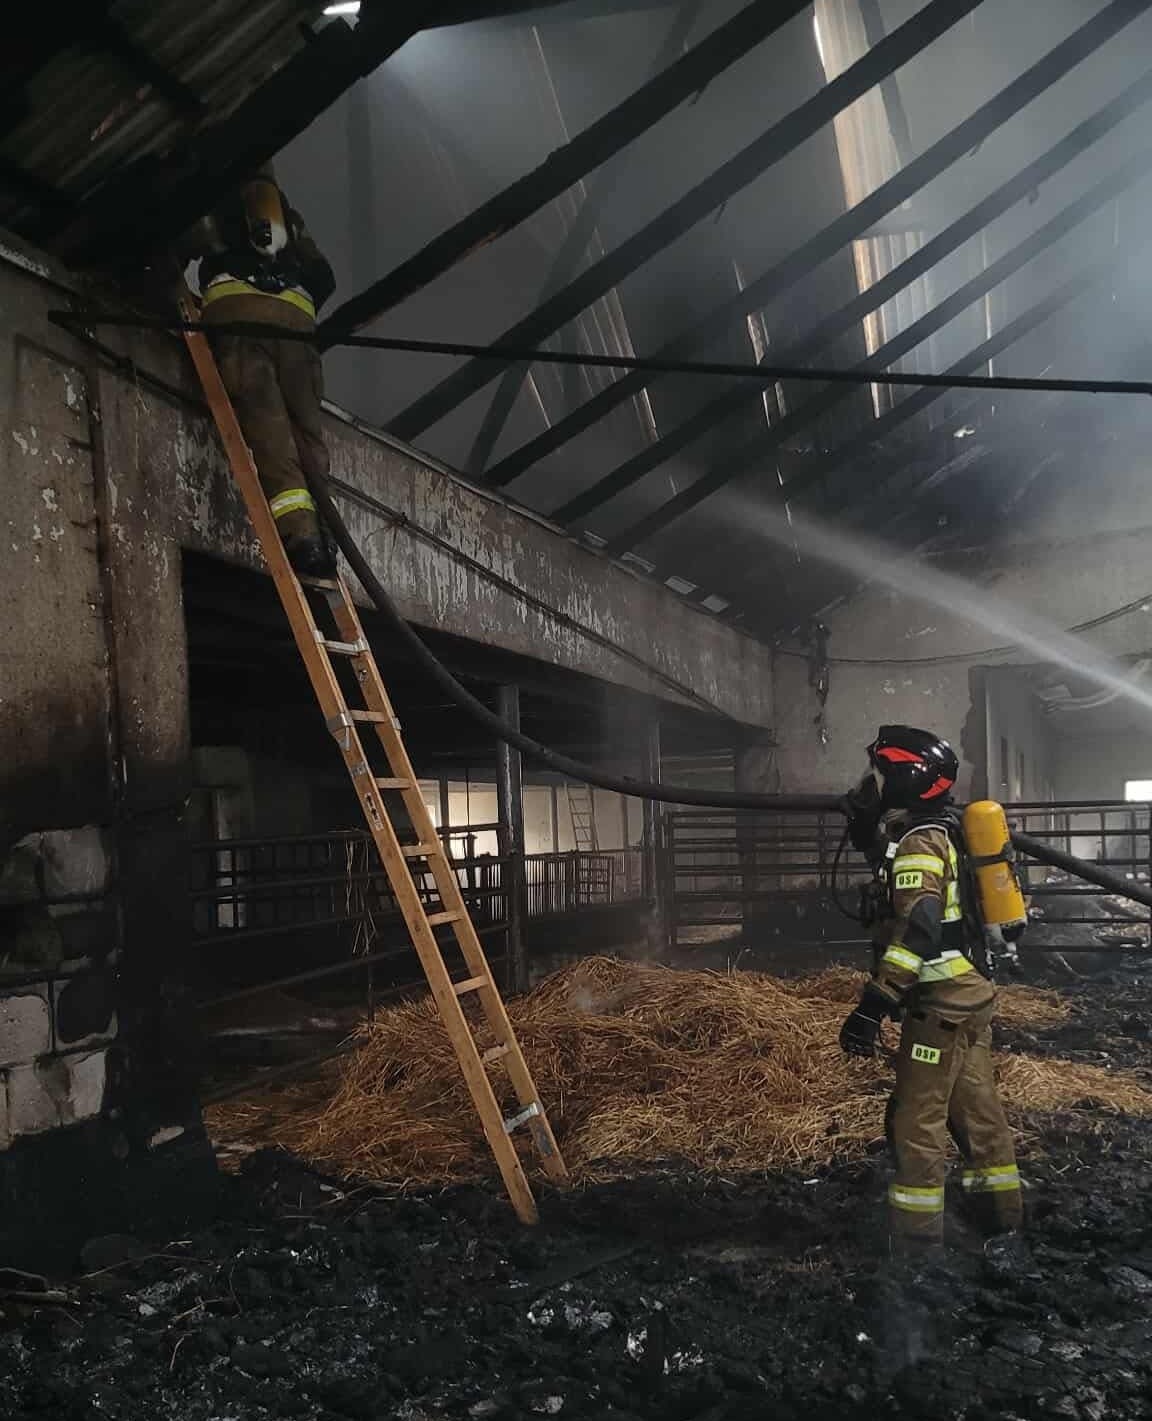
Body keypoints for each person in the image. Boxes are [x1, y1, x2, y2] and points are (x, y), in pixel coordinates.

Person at [837, 726, 1023, 1258]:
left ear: (906, 778)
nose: (875, 782)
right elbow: (907, 874)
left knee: (916, 1122)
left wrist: (874, 1005)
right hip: (969, 995)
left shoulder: (922, 839)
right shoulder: (943, 829)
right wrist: (868, 831)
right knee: (977, 1111)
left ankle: (917, 1248)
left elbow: (918, 928)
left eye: (883, 774)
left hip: (938, 1004)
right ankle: (1003, 1221)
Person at [180, 165, 337, 576]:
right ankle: (328, 533)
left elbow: (175, 248)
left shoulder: (211, 197)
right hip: (299, 323)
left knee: (271, 436)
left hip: (238, 318)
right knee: (308, 437)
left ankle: (303, 539)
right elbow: (324, 277)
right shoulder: (286, 213)